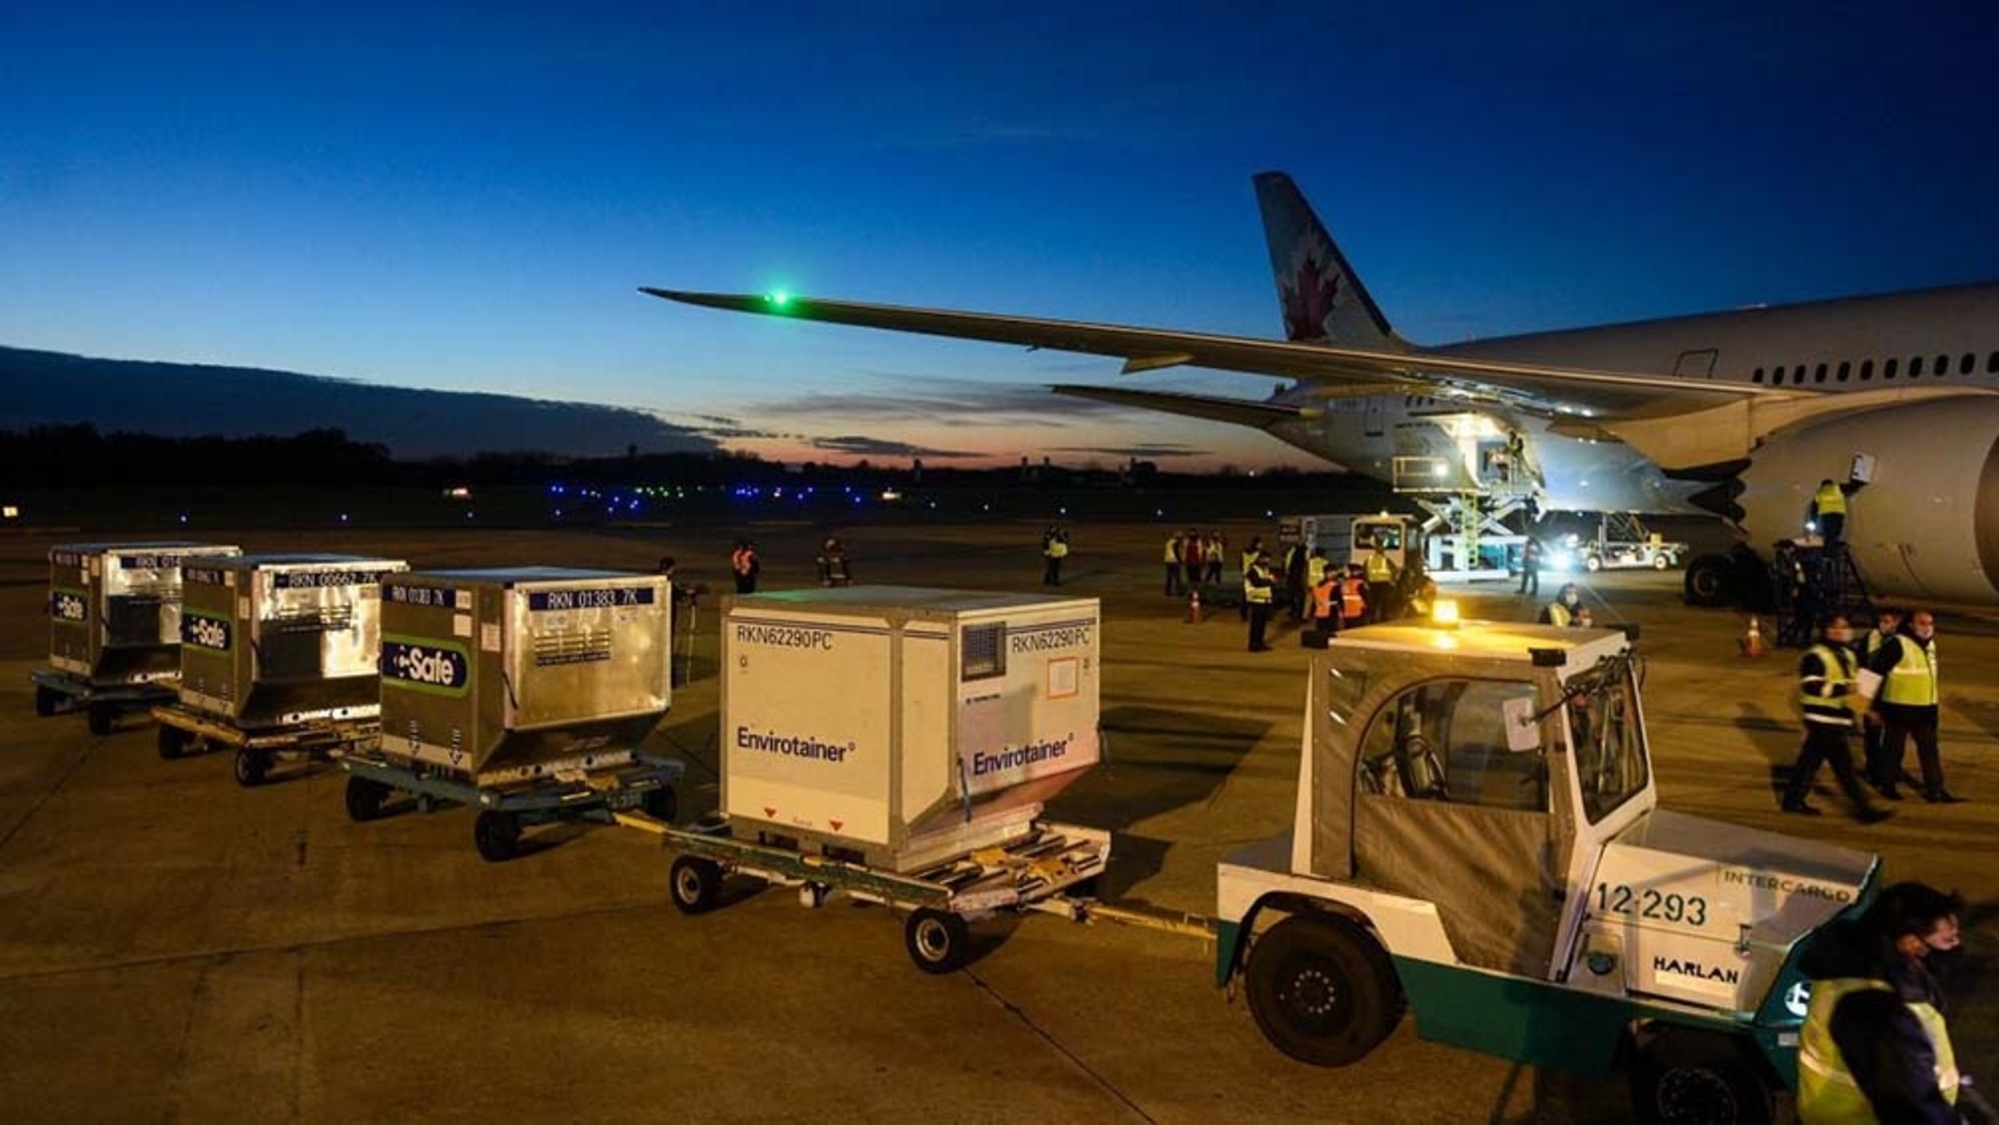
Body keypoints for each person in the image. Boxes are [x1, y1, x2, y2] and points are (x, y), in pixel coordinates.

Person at [1796, 881, 1989, 1123]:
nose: (1957, 947)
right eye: (1948, 940)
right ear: (1911, 944)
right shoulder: (1875, 1004)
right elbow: (1909, 1105)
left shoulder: (1850, 968)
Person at [1783, 614, 1891, 823]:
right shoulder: (1815, 655)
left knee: (1809, 762)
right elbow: (1811, 686)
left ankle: (1792, 800)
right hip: (1823, 719)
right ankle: (1865, 810)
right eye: (1838, 627)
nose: (1844, 631)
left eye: (1845, 627)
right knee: (1844, 769)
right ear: (1827, 630)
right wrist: (1843, 688)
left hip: (1838, 719)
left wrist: (1866, 710)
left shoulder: (1848, 655)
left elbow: (1854, 687)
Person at [1865, 609, 1963, 804]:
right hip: (1898, 708)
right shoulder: (1898, 643)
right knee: (1893, 749)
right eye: (1922, 623)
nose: (1927, 628)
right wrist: (1864, 706)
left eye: (1930, 623)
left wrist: (1933, 708)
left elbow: (1928, 680)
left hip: (1924, 709)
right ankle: (1888, 785)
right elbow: (1873, 672)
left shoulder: (1930, 645)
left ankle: (1935, 789)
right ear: (1911, 625)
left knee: (1929, 751)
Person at [1243, 552, 1275, 651]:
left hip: (1264, 600)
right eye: (1266, 559)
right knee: (1256, 625)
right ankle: (1253, 644)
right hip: (1256, 600)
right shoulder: (1253, 571)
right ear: (1260, 559)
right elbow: (1256, 583)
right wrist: (1269, 581)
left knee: (1261, 625)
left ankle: (1260, 643)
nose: (1268, 562)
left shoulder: (1264, 571)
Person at [1362, 541, 1400, 623]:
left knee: (1374, 602)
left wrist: (1366, 581)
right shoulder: (1385, 559)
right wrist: (1393, 580)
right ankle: (1383, 617)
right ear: (1382, 550)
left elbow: (1364, 571)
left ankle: (1372, 618)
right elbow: (1395, 570)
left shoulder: (1369, 559)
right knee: (1383, 601)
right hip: (1384, 583)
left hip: (1372, 583)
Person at [1814, 478, 1849, 550]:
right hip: (1837, 513)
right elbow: (1850, 488)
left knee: (1827, 533)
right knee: (1835, 533)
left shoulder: (1820, 492)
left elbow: (1815, 506)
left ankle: (1827, 551)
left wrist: (1813, 520)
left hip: (1825, 514)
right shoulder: (1837, 488)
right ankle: (1830, 552)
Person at [1162, 530, 1183, 596]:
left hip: (1168, 560)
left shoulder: (1168, 542)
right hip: (1174, 560)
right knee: (1177, 577)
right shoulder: (1175, 542)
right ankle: (1179, 591)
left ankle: (1167, 591)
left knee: (1169, 577)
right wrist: (1180, 560)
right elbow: (1176, 552)